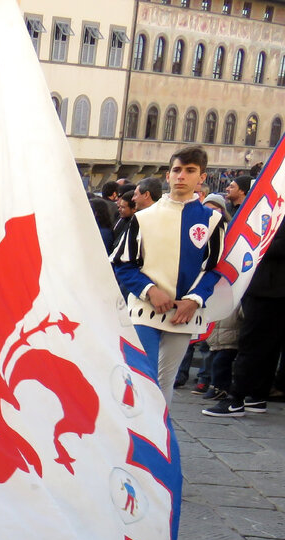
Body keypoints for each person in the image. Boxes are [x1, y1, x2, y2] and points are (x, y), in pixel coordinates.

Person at [111, 146, 224, 406]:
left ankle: (159, 439)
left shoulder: (213, 220)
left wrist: (194, 299)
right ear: (168, 175)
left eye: (190, 170)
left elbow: (214, 268)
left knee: (165, 381)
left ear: (201, 177)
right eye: (177, 170)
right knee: (141, 376)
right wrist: (150, 290)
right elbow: (123, 264)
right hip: (145, 307)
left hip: (183, 312)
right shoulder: (143, 217)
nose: (182, 176)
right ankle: (139, 437)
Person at [204, 227, 285, 416]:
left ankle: (235, 398)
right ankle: (257, 396)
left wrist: (253, 241)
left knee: (252, 344)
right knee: (266, 347)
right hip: (266, 288)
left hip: (269, 291)